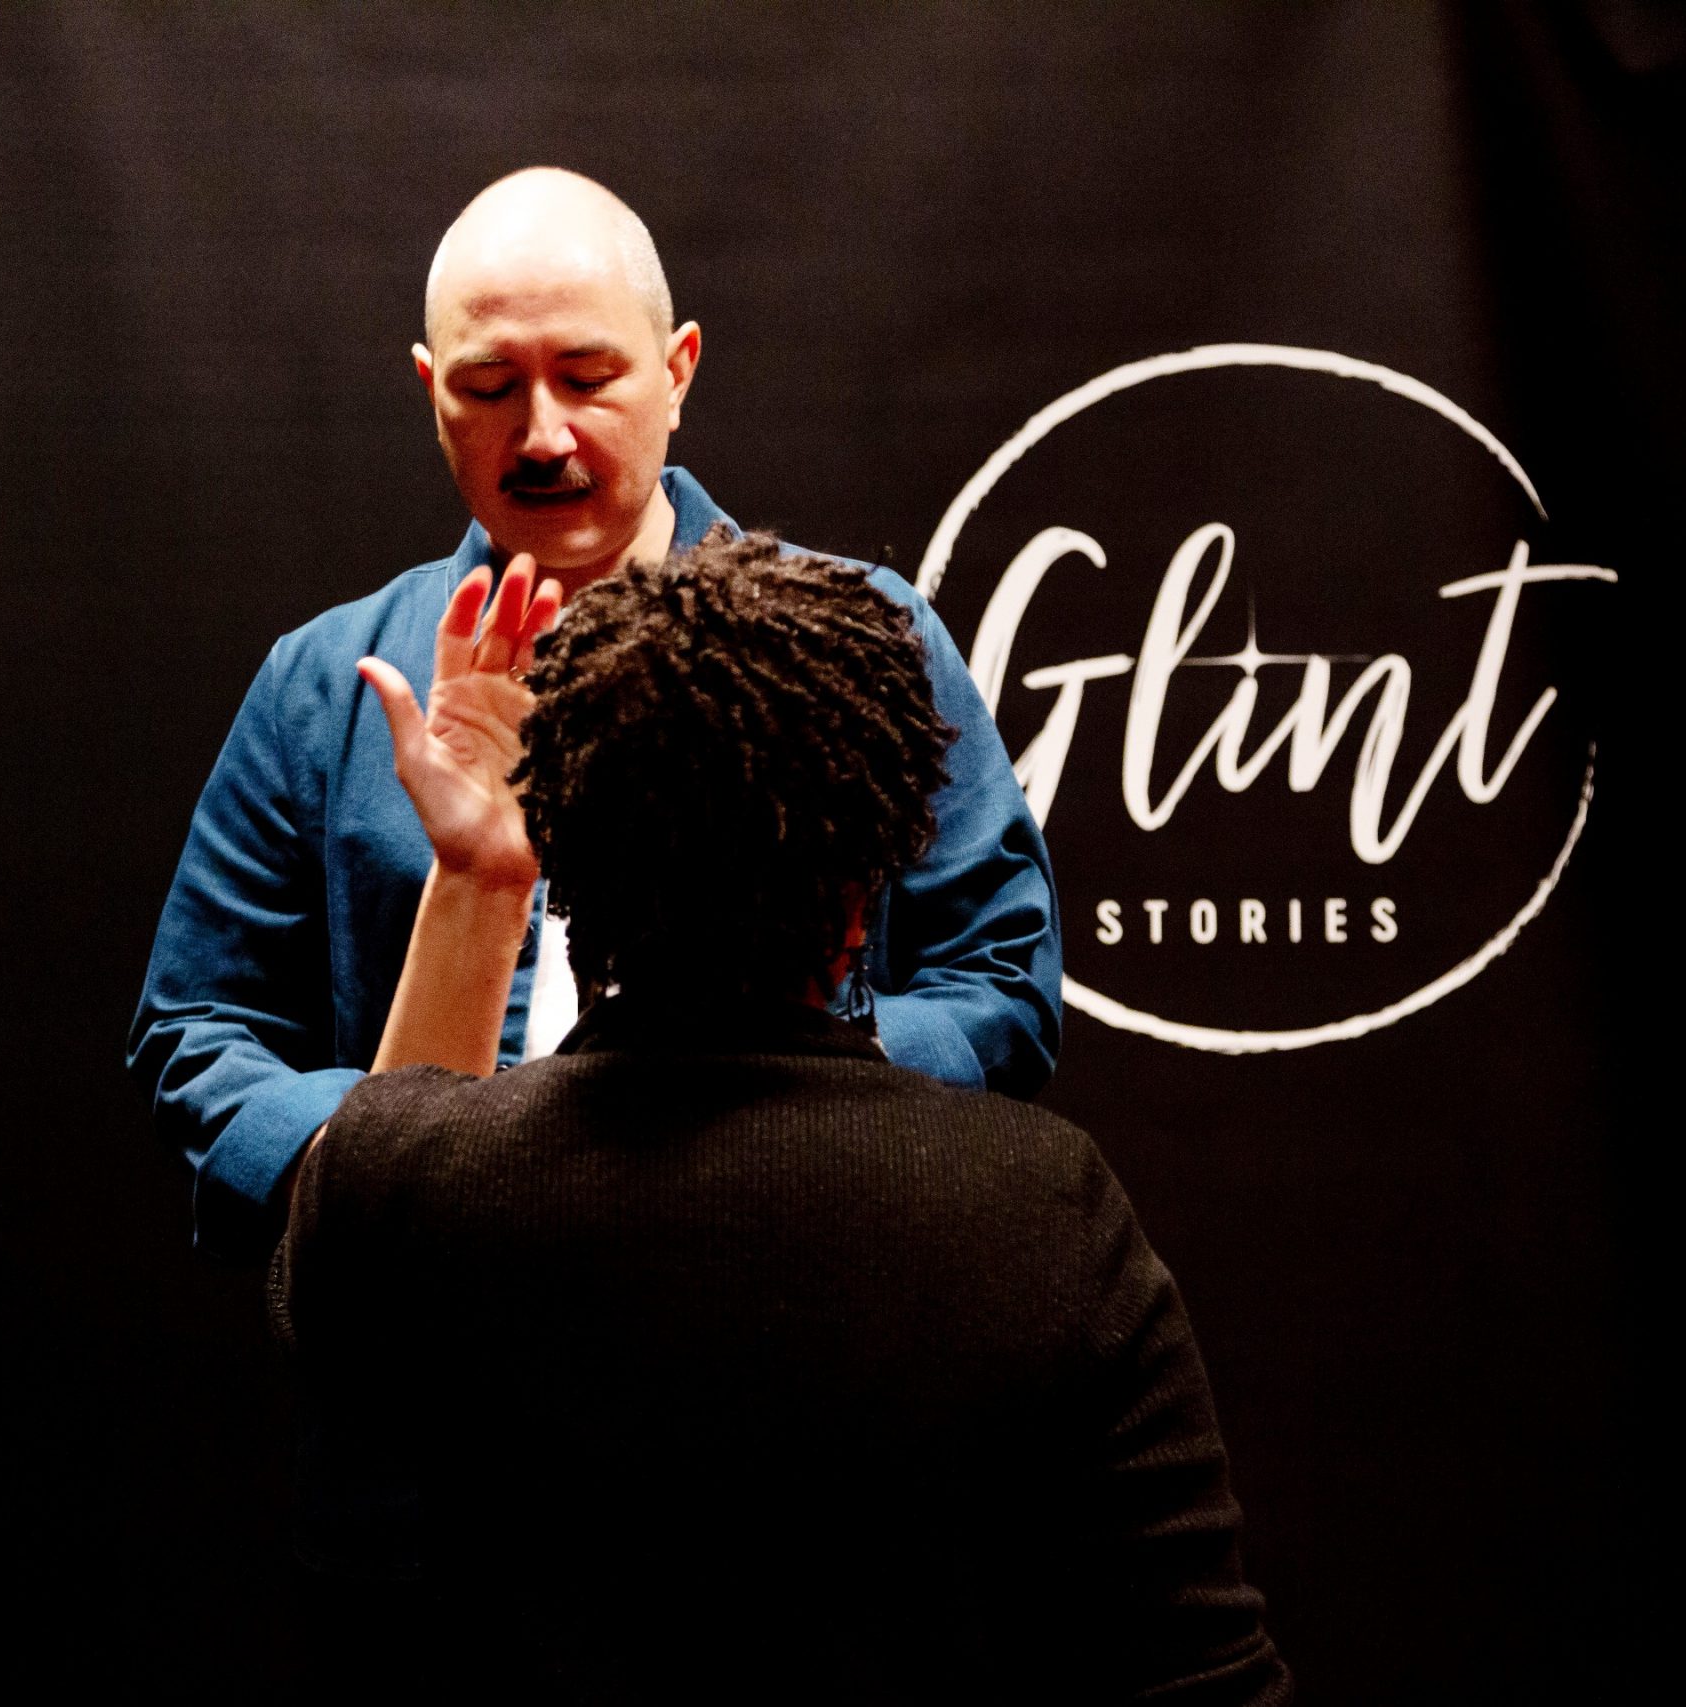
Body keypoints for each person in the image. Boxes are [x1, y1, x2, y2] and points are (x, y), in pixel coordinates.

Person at [275, 532, 1289, 1699]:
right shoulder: (1042, 1210)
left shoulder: (400, 1192)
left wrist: (478, 877)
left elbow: (371, 1199)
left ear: (561, 849)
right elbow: (1202, 1678)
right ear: (867, 882)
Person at [128, 167, 1063, 1260]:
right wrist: (375, 1157)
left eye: (587, 378)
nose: (542, 436)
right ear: (430, 390)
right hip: (448, 1300)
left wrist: (782, 1102)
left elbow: (1001, 986)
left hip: (781, 1269)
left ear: (677, 371)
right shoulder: (327, 680)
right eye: (488, 388)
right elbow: (196, 1035)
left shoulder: (859, 643)